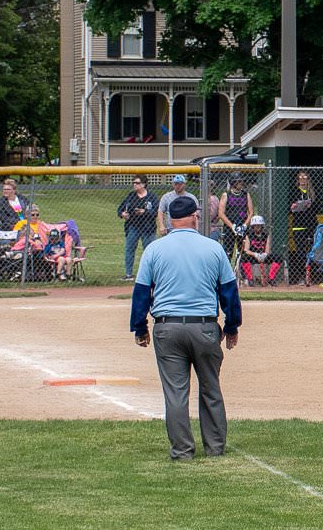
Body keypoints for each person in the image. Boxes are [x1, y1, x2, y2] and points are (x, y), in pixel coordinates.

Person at [129, 193, 242, 460]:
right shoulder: (212, 247)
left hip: (167, 328)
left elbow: (142, 293)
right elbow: (229, 292)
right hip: (204, 327)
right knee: (210, 389)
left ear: (169, 220)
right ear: (195, 217)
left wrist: (140, 327)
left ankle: (182, 451)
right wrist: (232, 326)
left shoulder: (155, 249)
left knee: (176, 393)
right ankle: (215, 448)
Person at [118, 174, 158, 280]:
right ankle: (128, 274)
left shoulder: (151, 197)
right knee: (129, 249)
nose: (135, 185)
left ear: (144, 184)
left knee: (149, 251)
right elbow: (120, 209)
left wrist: (144, 212)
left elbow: (156, 212)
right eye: (134, 183)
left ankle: (151, 275)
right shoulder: (131, 196)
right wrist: (123, 214)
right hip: (133, 227)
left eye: (137, 183)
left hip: (148, 228)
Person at [288, 171, 319, 285]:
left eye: (305, 177)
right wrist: (293, 206)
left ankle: (311, 276)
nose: (303, 179)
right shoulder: (294, 191)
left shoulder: (311, 193)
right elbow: (289, 208)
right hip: (298, 225)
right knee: (300, 252)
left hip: (310, 224)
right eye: (300, 178)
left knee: (311, 251)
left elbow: (318, 208)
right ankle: (300, 276)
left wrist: (310, 205)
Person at [240, 215, 281, 286]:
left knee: (278, 257)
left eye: (259, 226)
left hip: (263, 256)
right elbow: (246, 250)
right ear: (252, 226)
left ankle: (271, 278)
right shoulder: (249, 235)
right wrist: (255, 254)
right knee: (244, 257)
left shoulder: (266, 234)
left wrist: (265, 254)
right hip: (253, 256)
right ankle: (250, 279)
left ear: (262, 226)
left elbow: (267, 249)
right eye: (255, 226)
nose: (257, 227)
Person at [217, 175, 253, 241]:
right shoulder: (226, 195)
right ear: (233, 182)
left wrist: (244, 225)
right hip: (229, 226)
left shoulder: (246, 194)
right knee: (229, 249)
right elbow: (221, 213)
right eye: (239, 181)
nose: (241, 183)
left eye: (241, 181)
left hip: (242, 224)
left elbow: (251, 212)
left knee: (242, 248)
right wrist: (232, 226)